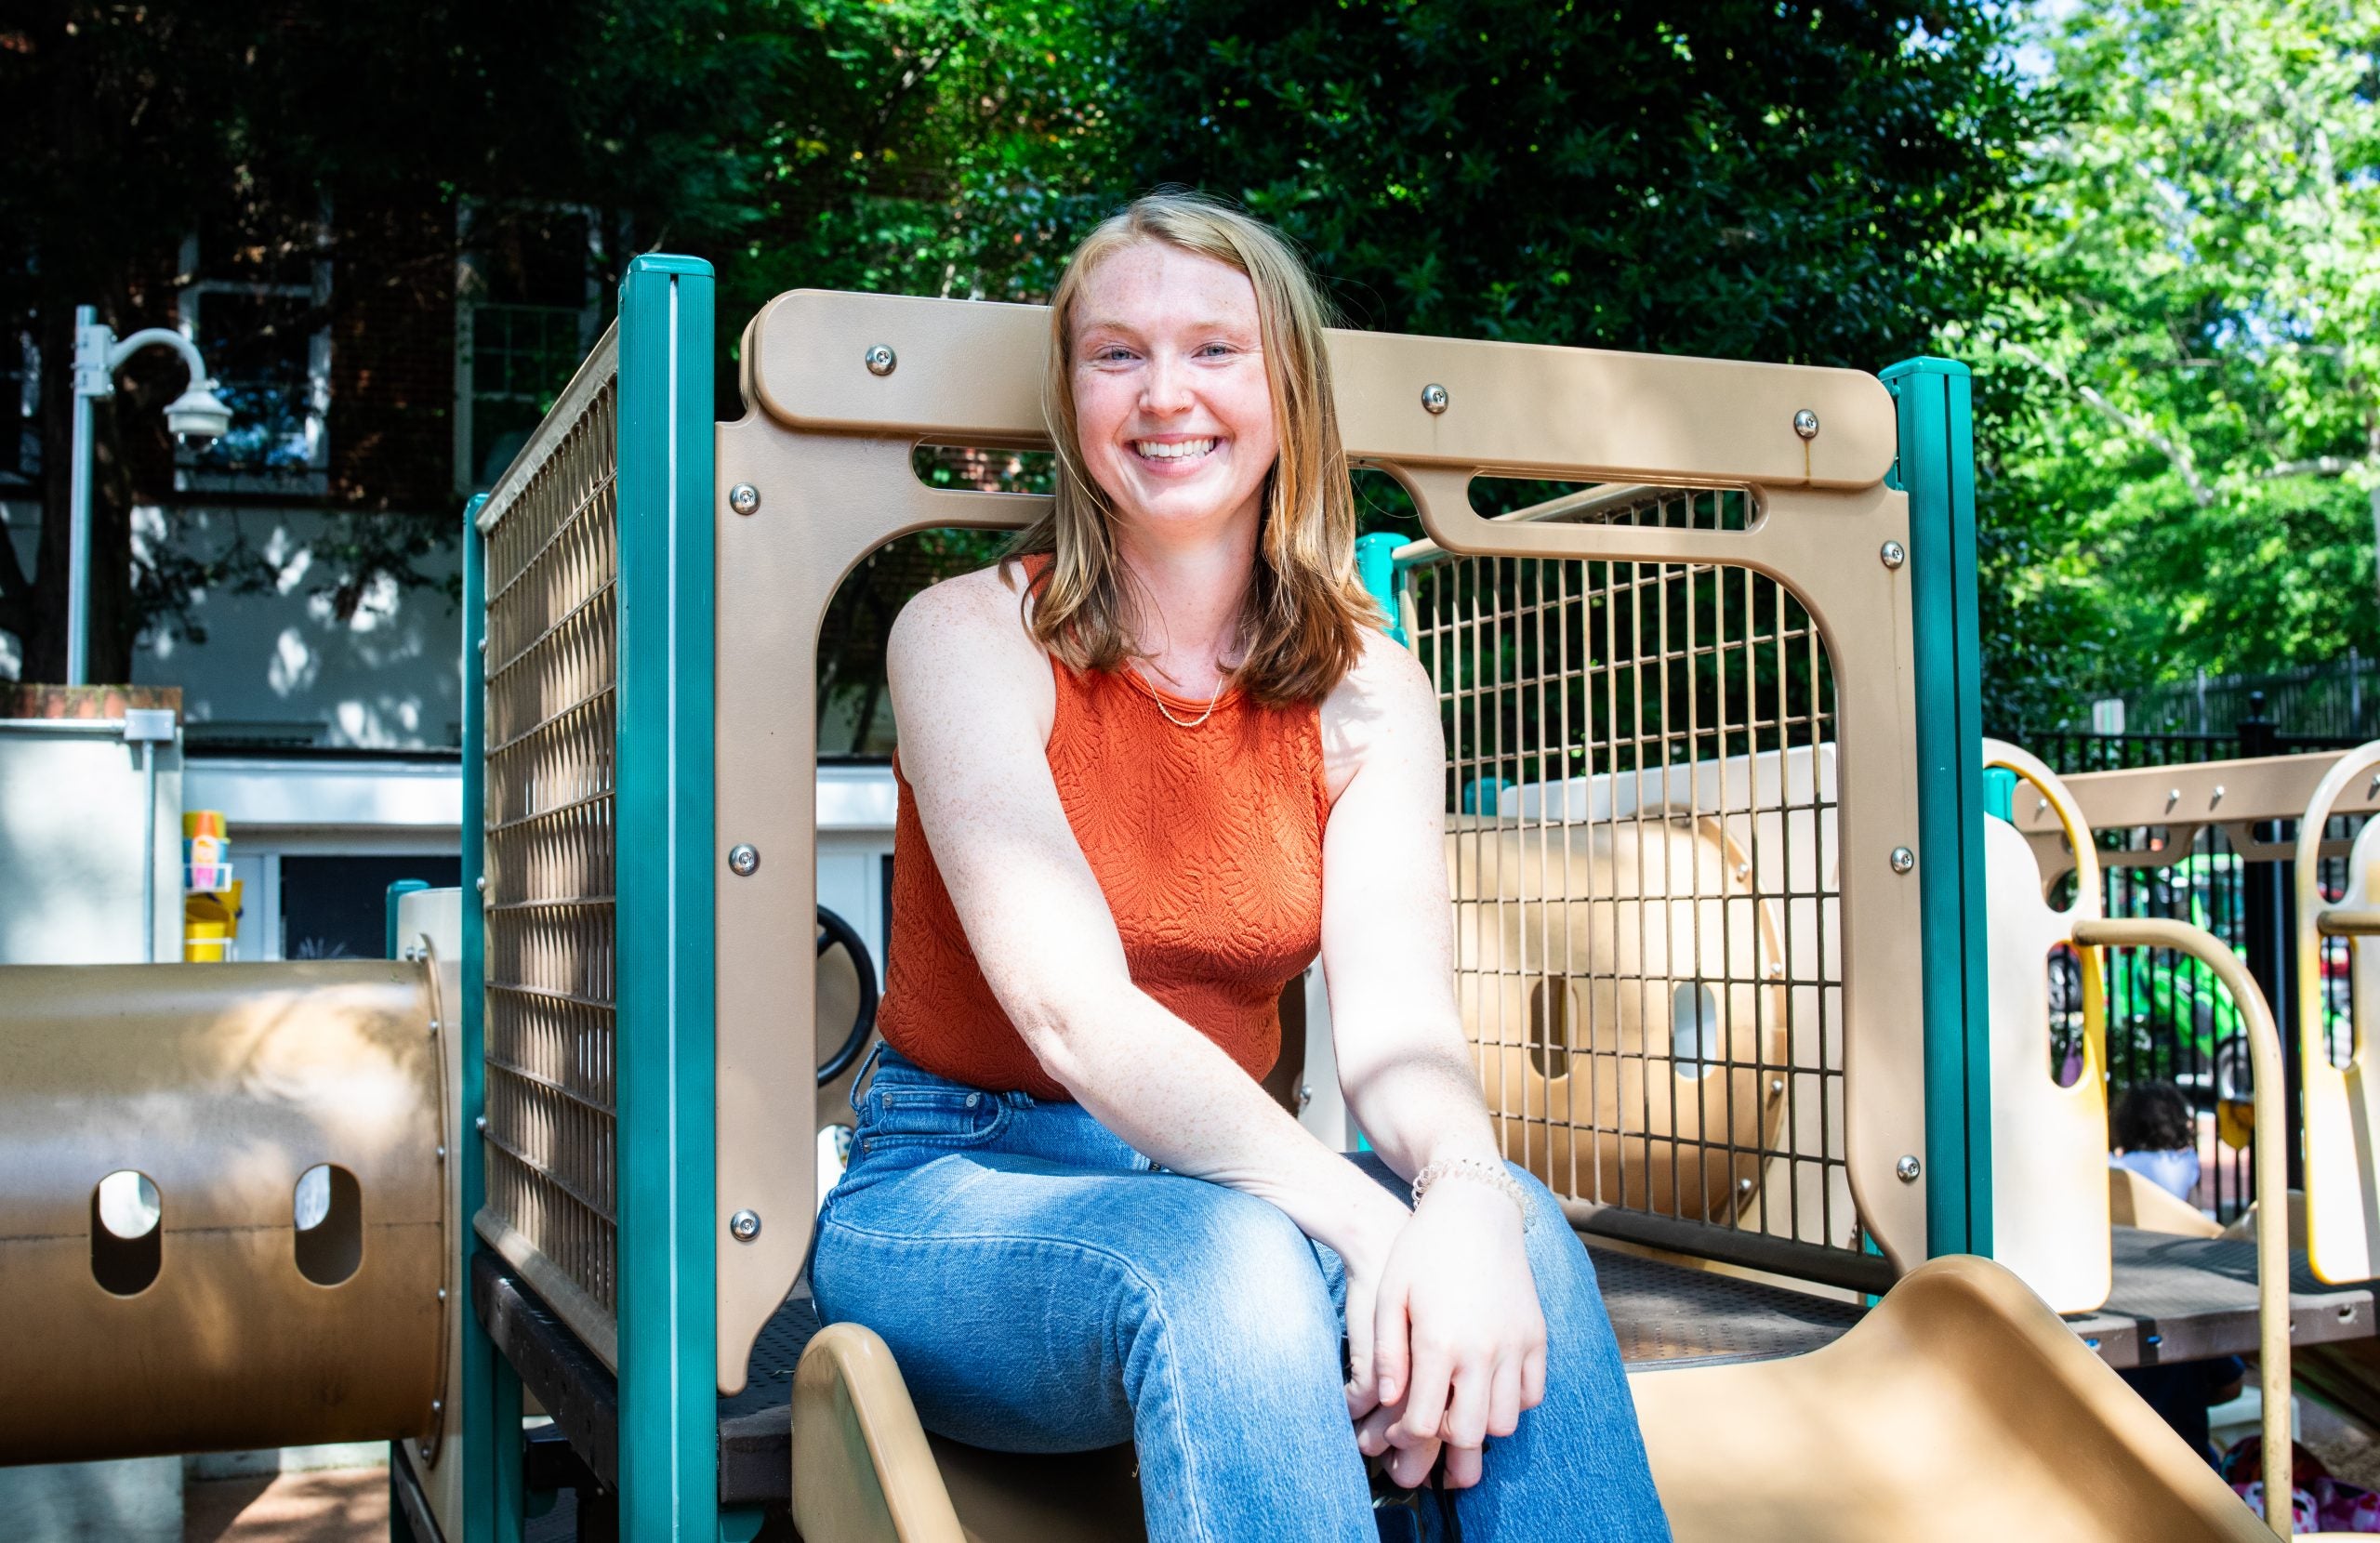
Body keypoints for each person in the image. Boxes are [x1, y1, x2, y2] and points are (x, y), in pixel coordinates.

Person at [808, 191, 1672, 1542]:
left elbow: (1399, 1033)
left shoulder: (1371, 689)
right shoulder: (966, 638)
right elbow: (1070, 1016)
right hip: (957, 1190)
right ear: (1072, 399)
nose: (1166, 396)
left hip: (1221, 1182)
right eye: (1116, 355)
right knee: (1239, 1272)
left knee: (1521, 1247)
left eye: (1215, 349)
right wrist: (1360, 1227)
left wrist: (1455, 1200)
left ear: (1287, 392)